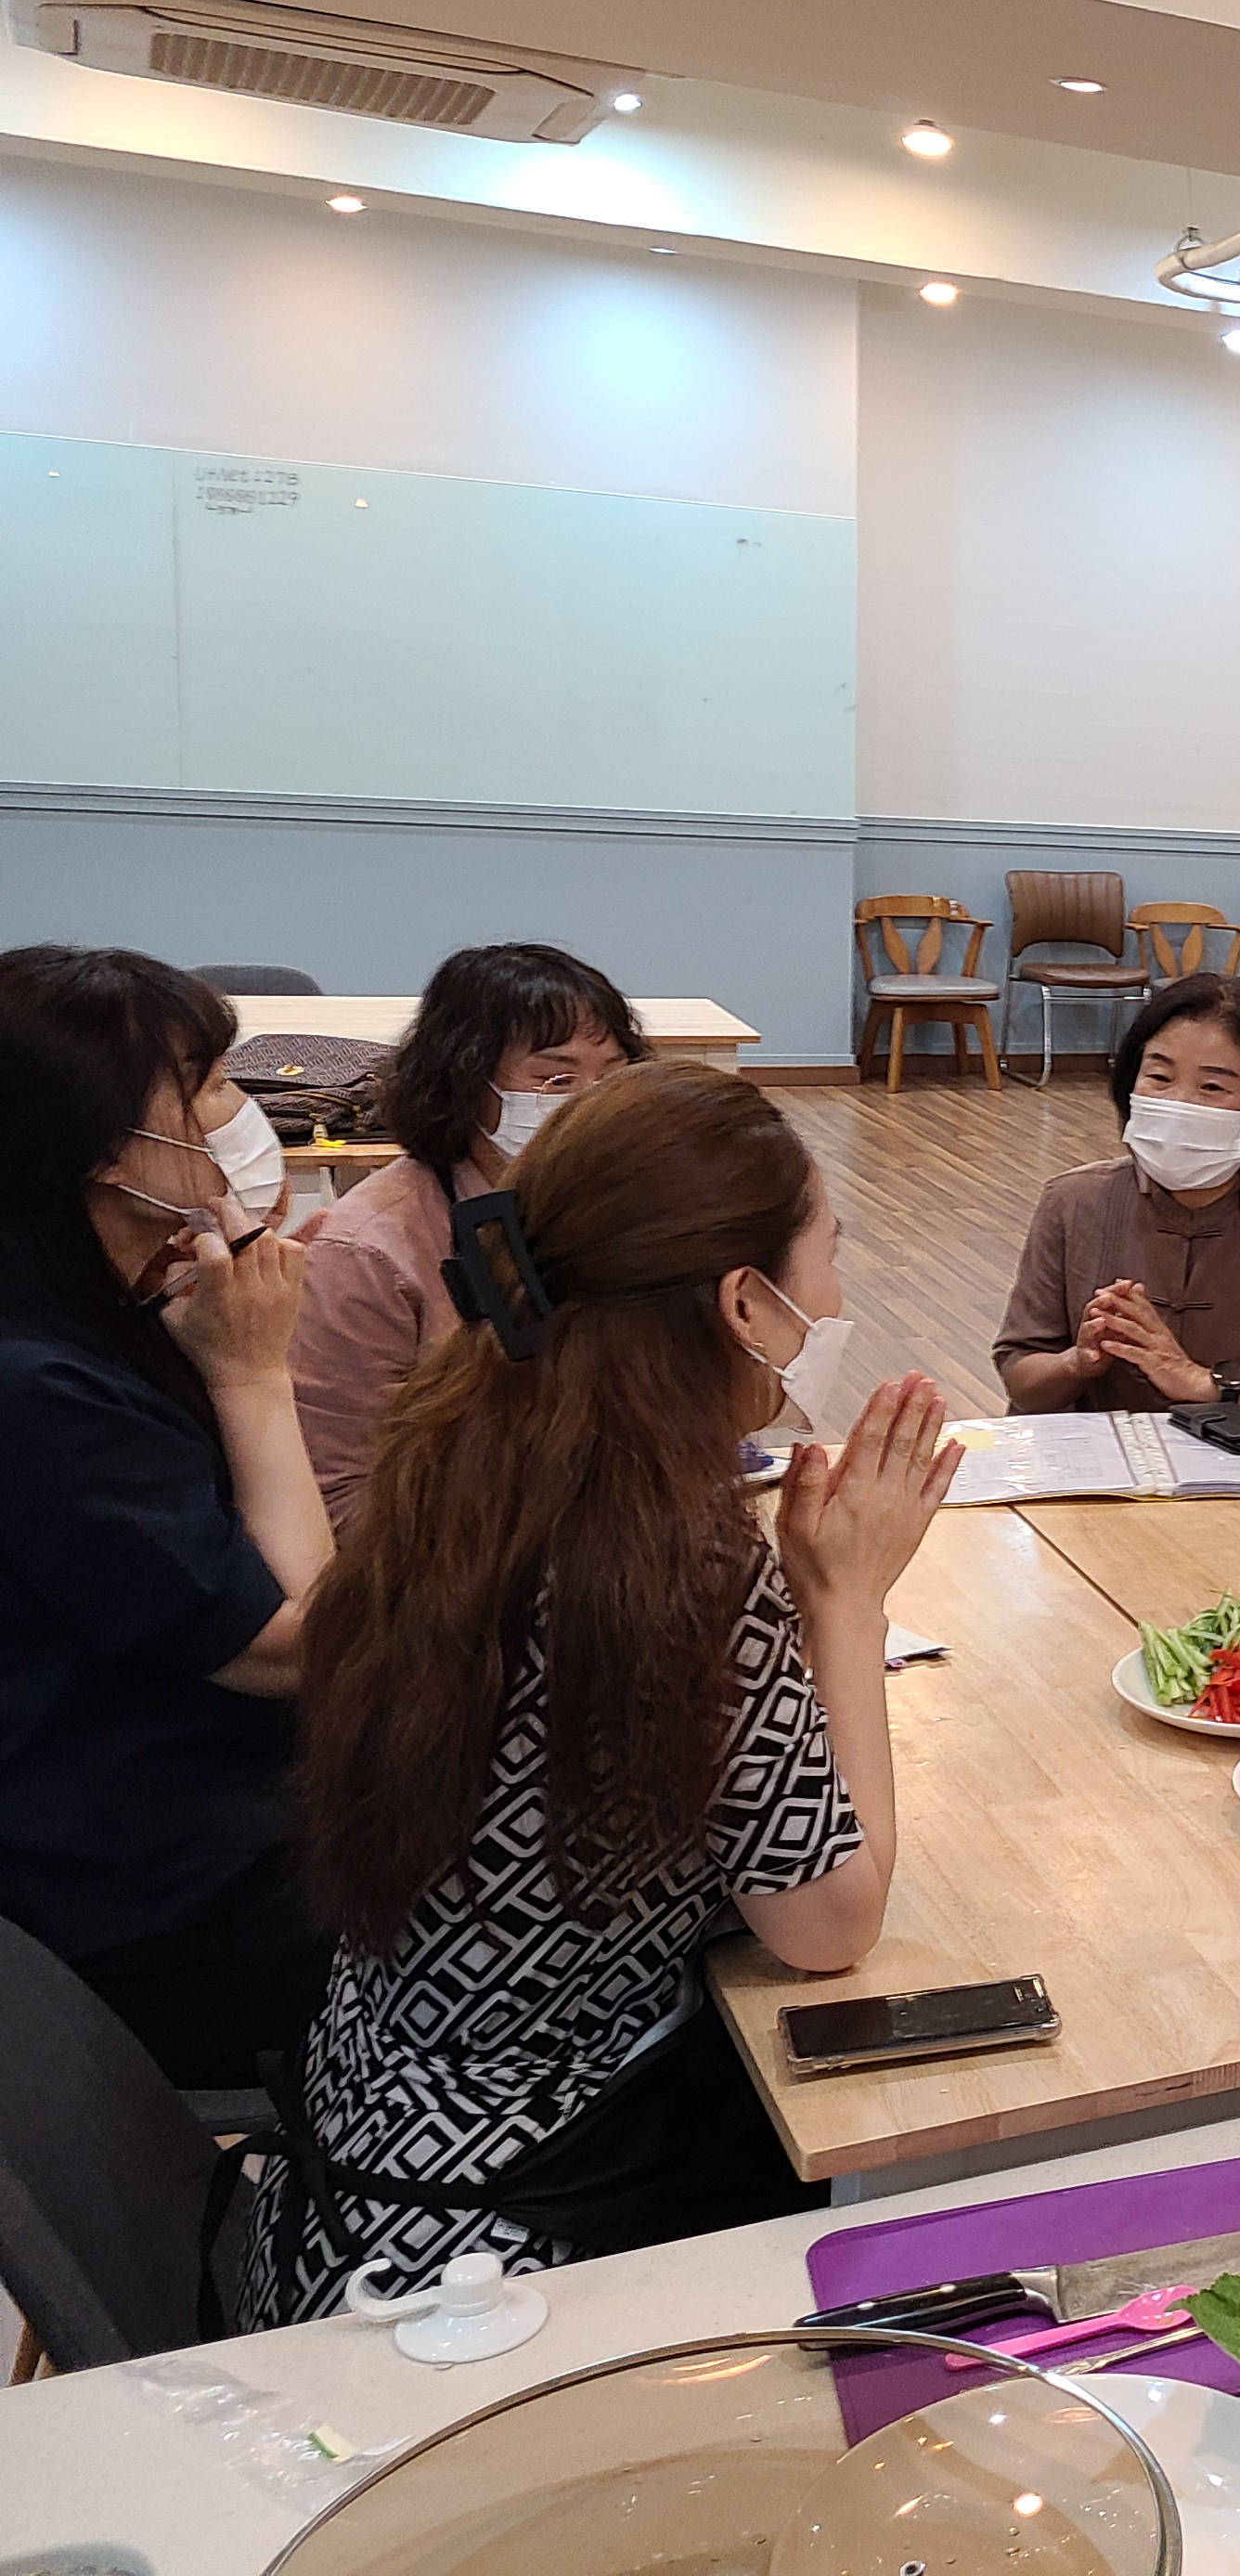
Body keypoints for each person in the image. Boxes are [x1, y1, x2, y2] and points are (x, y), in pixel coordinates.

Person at [245, 1064, 958, 2324]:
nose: (839, 1298)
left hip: (358, 2149)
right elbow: (827, 1924)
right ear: (745, 1303)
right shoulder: (672, 1556)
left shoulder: (461, 1438)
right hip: (498, 2260)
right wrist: (845, 1602)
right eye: (830, 1257)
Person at [0, 945, 335, 2087]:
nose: (240, 1115)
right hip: (161, 1912)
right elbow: (296, 1645)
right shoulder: (38, 1387)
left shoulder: (107, 1299)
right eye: (207, 1087)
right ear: (102, 1147)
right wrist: (255, 1376)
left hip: (208, 1830)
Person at [290, 942, 647, 1514]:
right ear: (465, 1082)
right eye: (556, 1079)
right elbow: (338, 1492)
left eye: (612, 1076)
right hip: (452, 1543)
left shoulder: (629, 1204)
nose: (592, 1105)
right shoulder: (369, 1250)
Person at [995, 971, 1240, 1419]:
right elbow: (1021, 1375)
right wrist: (1078, 1362)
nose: (1178, 1103)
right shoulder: (1073, 1199)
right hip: (1104, 1457)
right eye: (1159, 1077)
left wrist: (1199, 1382)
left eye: (1212, 1088)